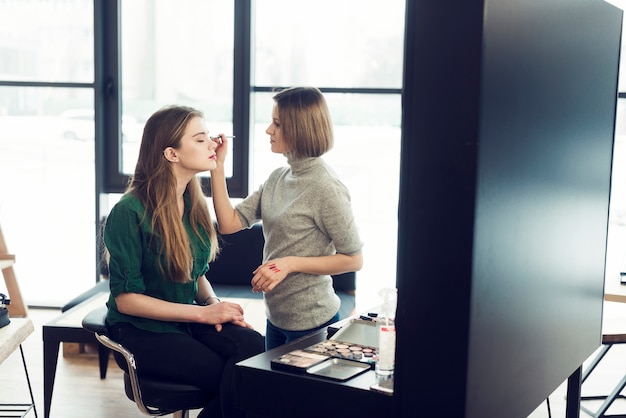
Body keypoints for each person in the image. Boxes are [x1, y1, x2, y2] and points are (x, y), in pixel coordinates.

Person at [103, 105, 264, 418]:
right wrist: (203, 315)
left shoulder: (192, 201)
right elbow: (127, 301)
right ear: (171, 154)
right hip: (140, 329)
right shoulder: (128, 211)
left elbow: (196, 274)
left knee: (253, 348)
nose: (213, 145)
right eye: (201, 140)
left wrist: (216, 307)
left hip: (185, 319)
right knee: (235, 379)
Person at [211, 86, 364, 350]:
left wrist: (290, 264)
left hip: (313, 323)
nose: (269, 130)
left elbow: (354, 259)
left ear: (300, 128)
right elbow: (229, 223)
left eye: (277, 124)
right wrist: (218, 166)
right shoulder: (278, 178)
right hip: (277, 319)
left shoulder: (327, 188)